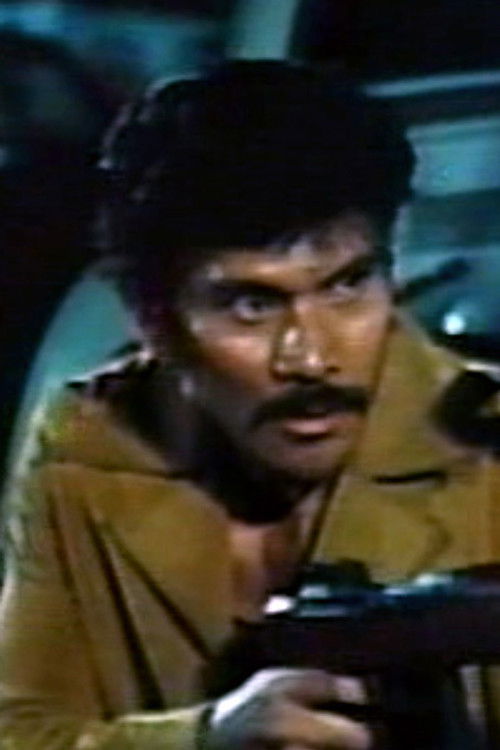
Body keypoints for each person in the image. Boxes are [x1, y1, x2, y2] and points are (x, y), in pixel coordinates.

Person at [1, 59, 500, 750]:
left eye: (347, 285)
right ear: (154, 321)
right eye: (251, 305)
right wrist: (203, 739)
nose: (311, 357)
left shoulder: (483, 444)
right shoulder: (89, 445)